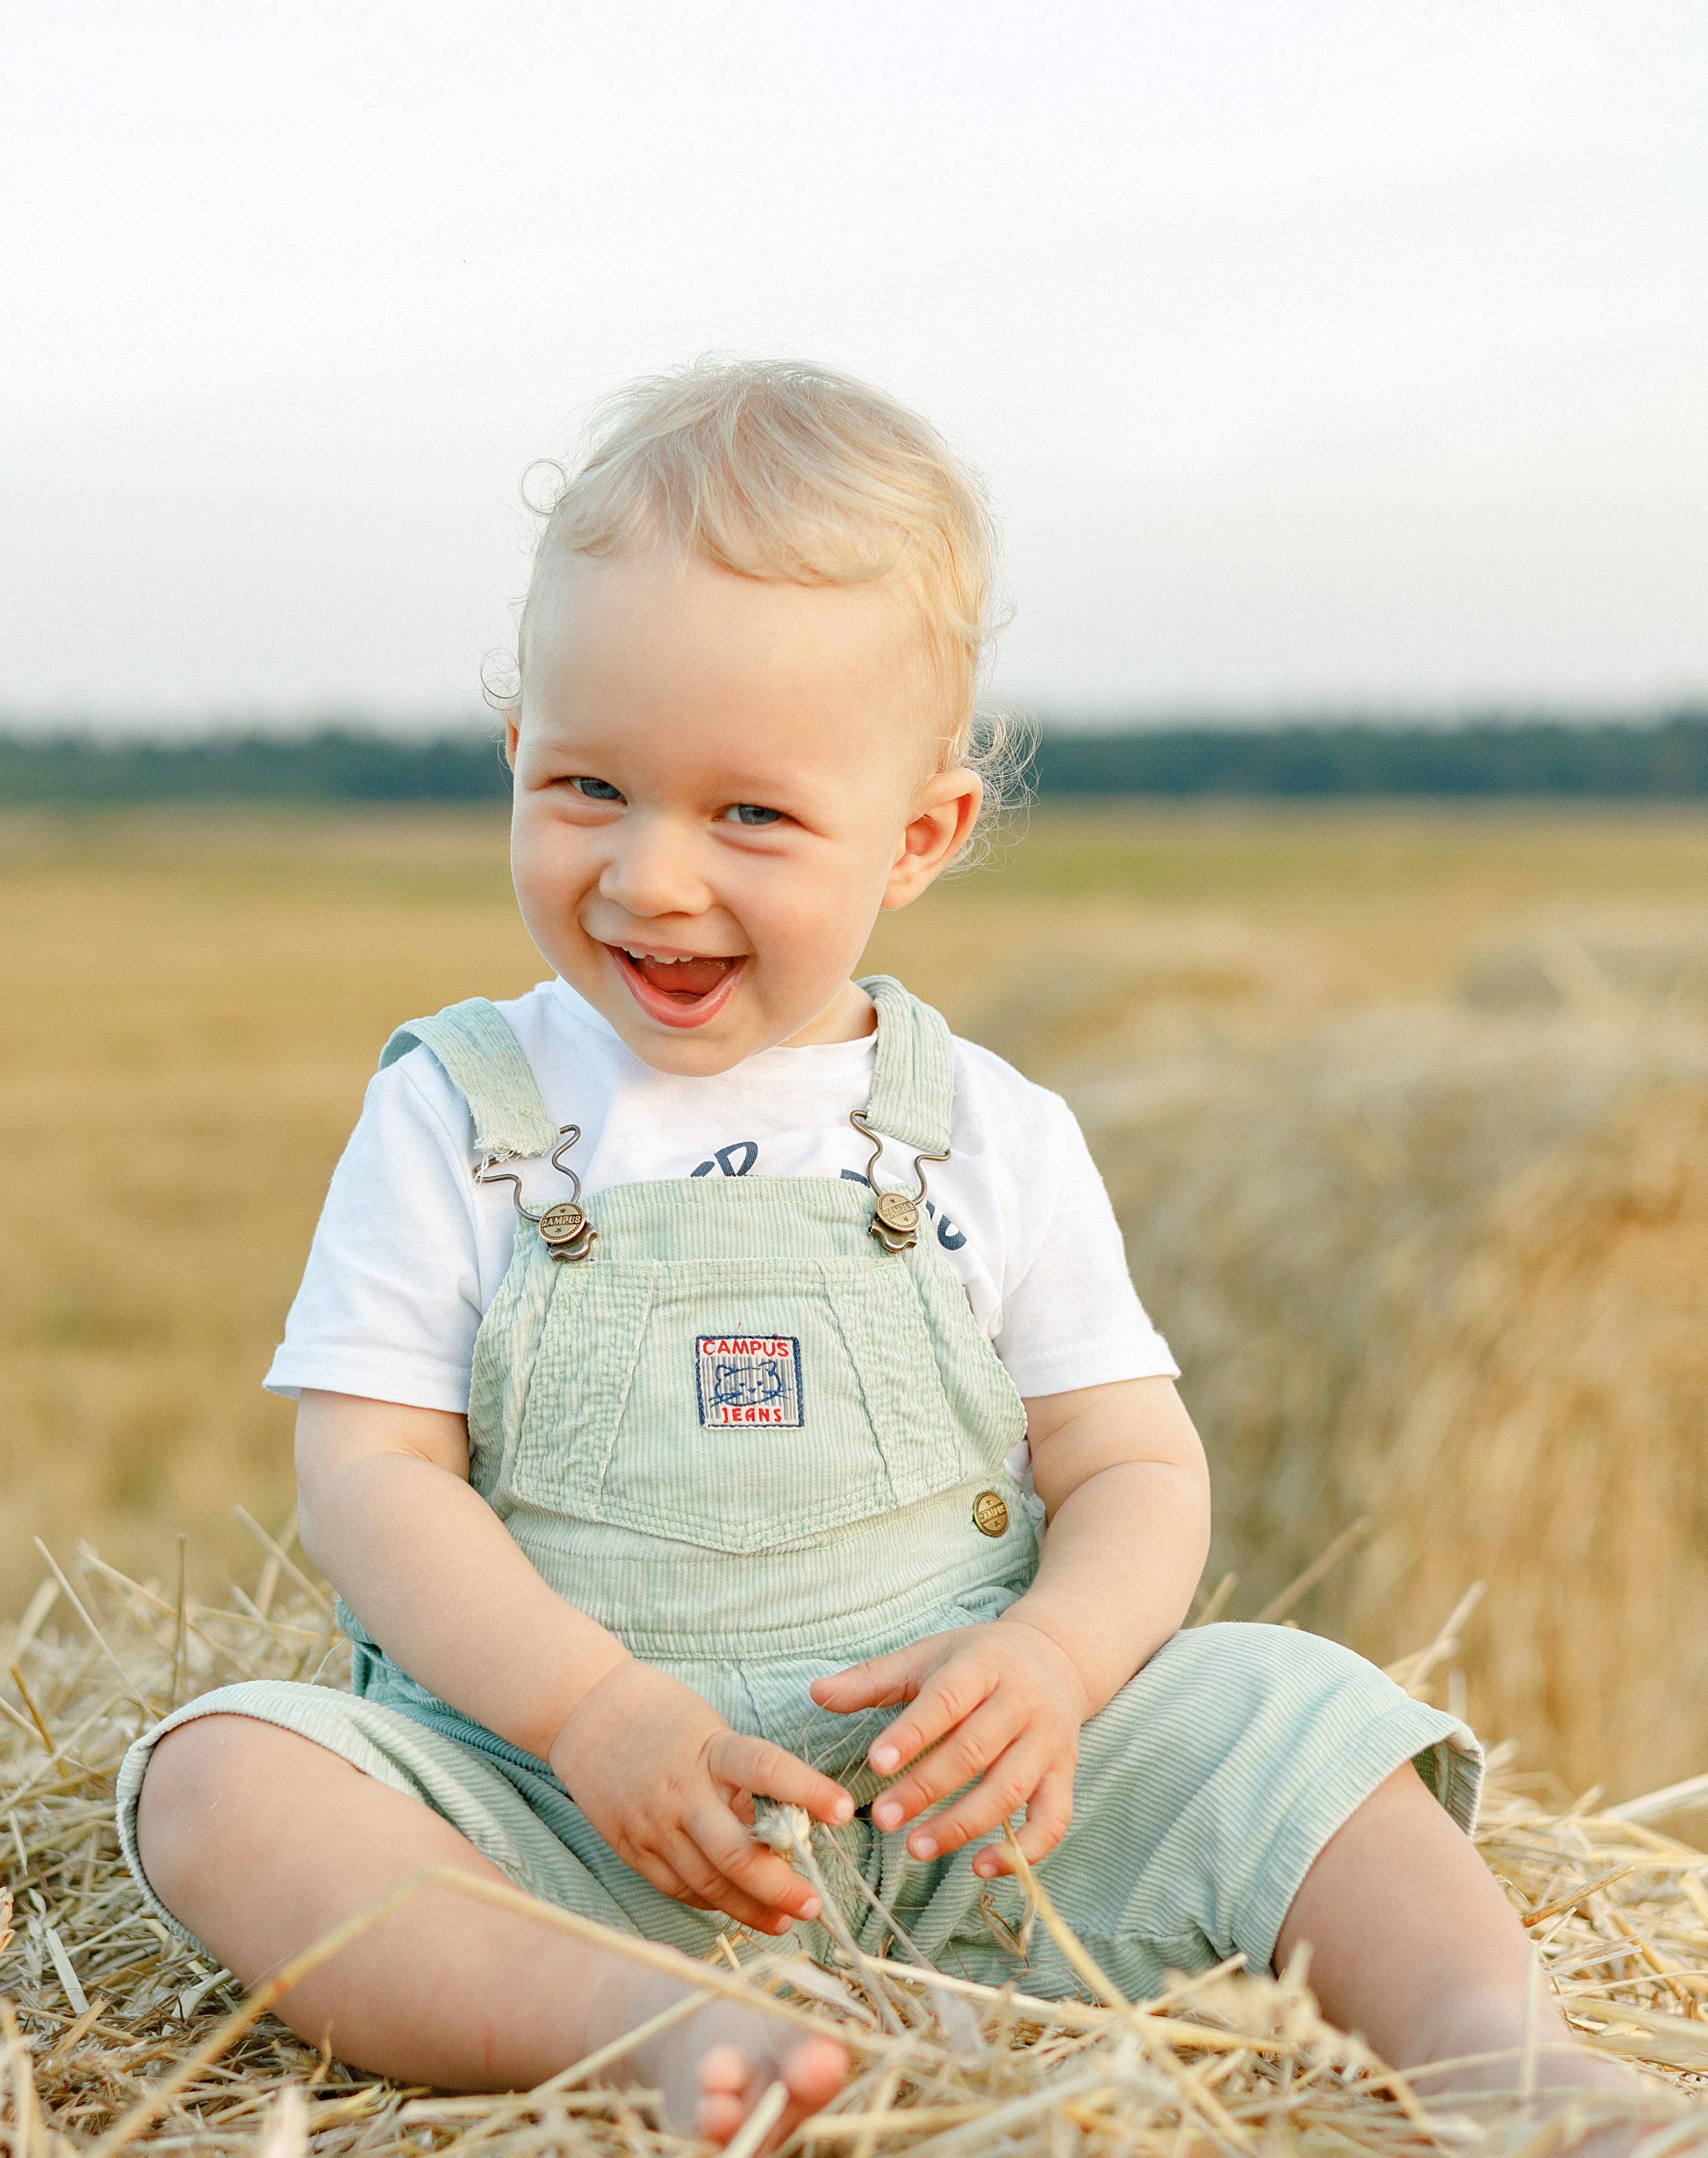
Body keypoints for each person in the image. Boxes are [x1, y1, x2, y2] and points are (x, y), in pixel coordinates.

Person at [120, 359, 1647, 2150]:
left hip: (973, 1838)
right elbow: (371, 1476)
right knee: (222, 1784)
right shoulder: (458, 1106)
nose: (652, 878)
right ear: (516, 756)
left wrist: (1062, 1662)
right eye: (590, 786)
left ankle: (1497, 2047)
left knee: (1297, 1703)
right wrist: (589, 1709)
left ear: (921, 836)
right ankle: (636, 2022)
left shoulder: (987, 1128)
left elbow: (1134, 1461)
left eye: (750, 814)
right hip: (555, 1820)